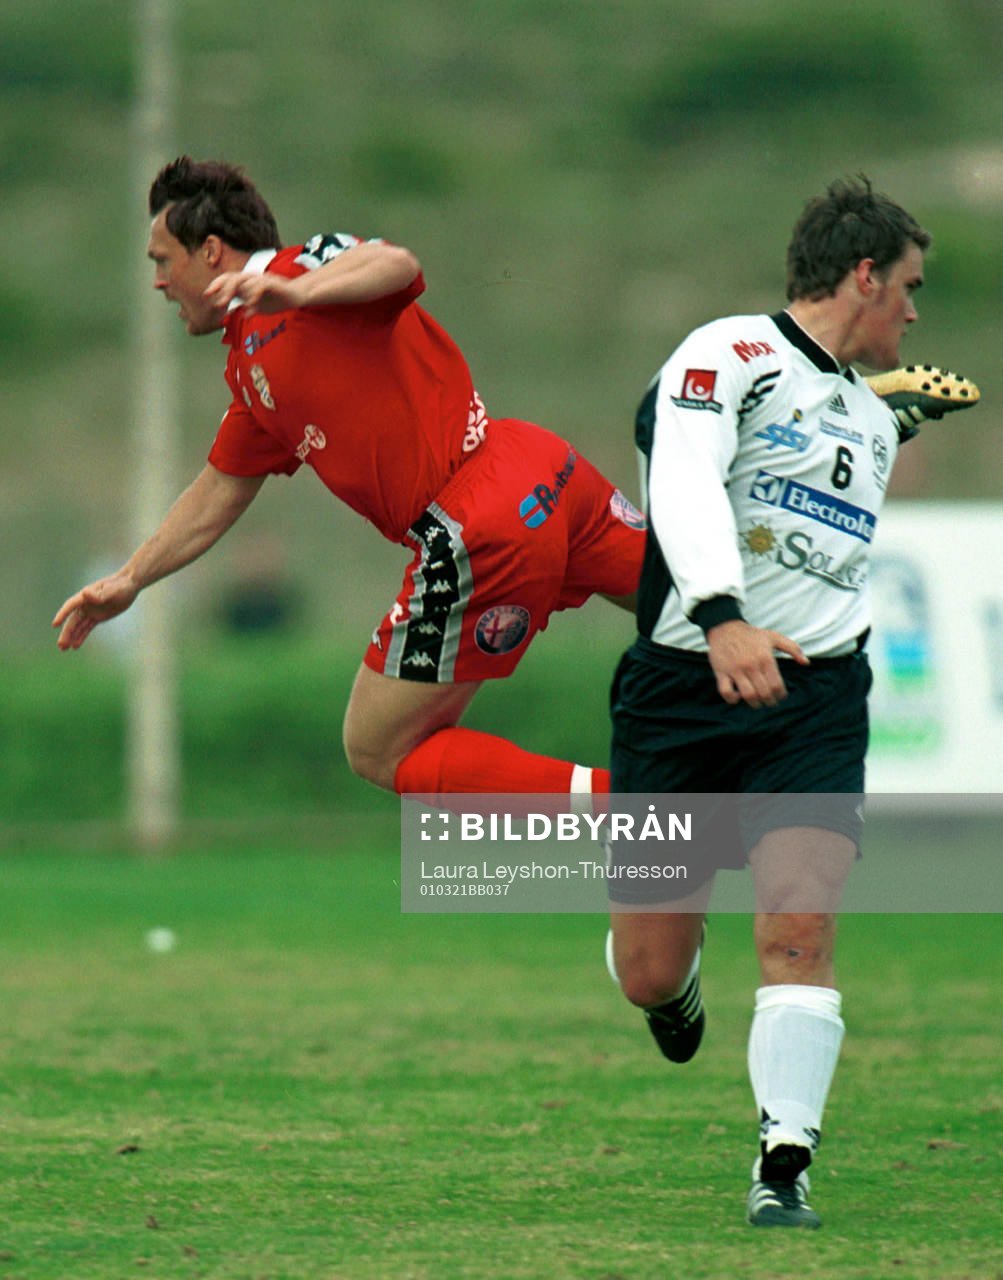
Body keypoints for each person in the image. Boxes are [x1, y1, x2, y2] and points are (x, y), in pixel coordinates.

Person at [604, 177, 979, 1229]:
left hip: (813, 695)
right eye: (905, 287)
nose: (913, 311)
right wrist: (721, 614)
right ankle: (670, 992)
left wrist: (887, 417)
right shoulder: (726, 355)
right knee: (646, 967)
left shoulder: (860, 410)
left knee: (799, 926)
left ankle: (782, 1161)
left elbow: (811, 493)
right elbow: (682, 477)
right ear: (863, 275)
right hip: (683, 685)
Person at [52, 156, 648, 802]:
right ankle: (763, 801)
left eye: (162, 261)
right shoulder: (250, 364)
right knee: (712, 614)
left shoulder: (302, 269)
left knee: (377, 746)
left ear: (212, 252)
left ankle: (637, 818)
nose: (158, 282)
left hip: (477, 521)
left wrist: (299, 291)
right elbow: (219, 488)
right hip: (543, 467)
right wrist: (131, 577)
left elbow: (397, 265)